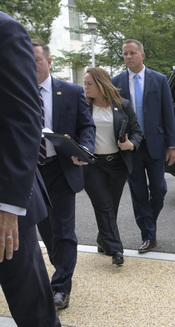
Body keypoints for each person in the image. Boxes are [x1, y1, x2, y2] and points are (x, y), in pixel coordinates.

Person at [0, 12, 69, 327]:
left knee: (37, 319)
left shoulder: (5, 30)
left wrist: (9, 206)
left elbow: (25, 121)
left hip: (7, 213)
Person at [33, 39, 96, 309]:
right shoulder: (14, 92)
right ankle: (60, 268)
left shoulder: (70, 92)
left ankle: (60, 288)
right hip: (31, 173)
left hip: (60, 169)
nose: (29, 65)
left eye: (35, 60)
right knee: (46, 230)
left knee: (64, 231)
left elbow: (87, 126)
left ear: (48, 62)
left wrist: (84, 148)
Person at [111, 39, 175, 253]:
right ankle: (149, 235)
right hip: (131, 147)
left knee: (159, 189)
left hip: (156, 144)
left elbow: (168, 113)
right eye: (124, 54)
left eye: (132, 53)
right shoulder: (116, 82)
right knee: (138, 192)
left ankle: (149, 222)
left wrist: (172, 145)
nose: (128, 57)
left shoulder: (158, 80)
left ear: (142, 55)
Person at [83, 67, 143, 266]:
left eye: (89, 83)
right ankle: (116, 250)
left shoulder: (122, 105)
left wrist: (130, 144)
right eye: (85, 83)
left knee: (111, 207)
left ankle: (104, 241)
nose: (85, 87)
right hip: (93, 165)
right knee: (104, 206)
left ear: (101, 84)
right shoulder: (83, 107)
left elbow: (136, 131)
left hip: (117, 164)